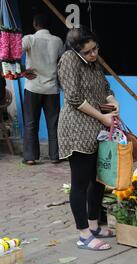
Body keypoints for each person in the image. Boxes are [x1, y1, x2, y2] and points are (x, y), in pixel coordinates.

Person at [57, 26, 120, 251]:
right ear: (76, 51)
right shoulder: (69, 60)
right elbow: (74, 98)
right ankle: (83, 234)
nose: (93, 54)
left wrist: (113, 102)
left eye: (95, 49)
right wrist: (102, 117)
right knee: (81, 183)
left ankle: (94, 225)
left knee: (99, 179)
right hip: (76, 130)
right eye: (88, 52)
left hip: (97, 129)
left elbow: (104, 88)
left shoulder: (93, 63)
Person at [21, 14, 65, 165]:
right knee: (54, 123)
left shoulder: (29, 39)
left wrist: (22, 71)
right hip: (52, 88)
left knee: (31, 123)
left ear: (34, 24)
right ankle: (55, 156)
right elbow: (61, 63)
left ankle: (30, 157)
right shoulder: (58, 41)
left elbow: (12, 56)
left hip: (33, 87)